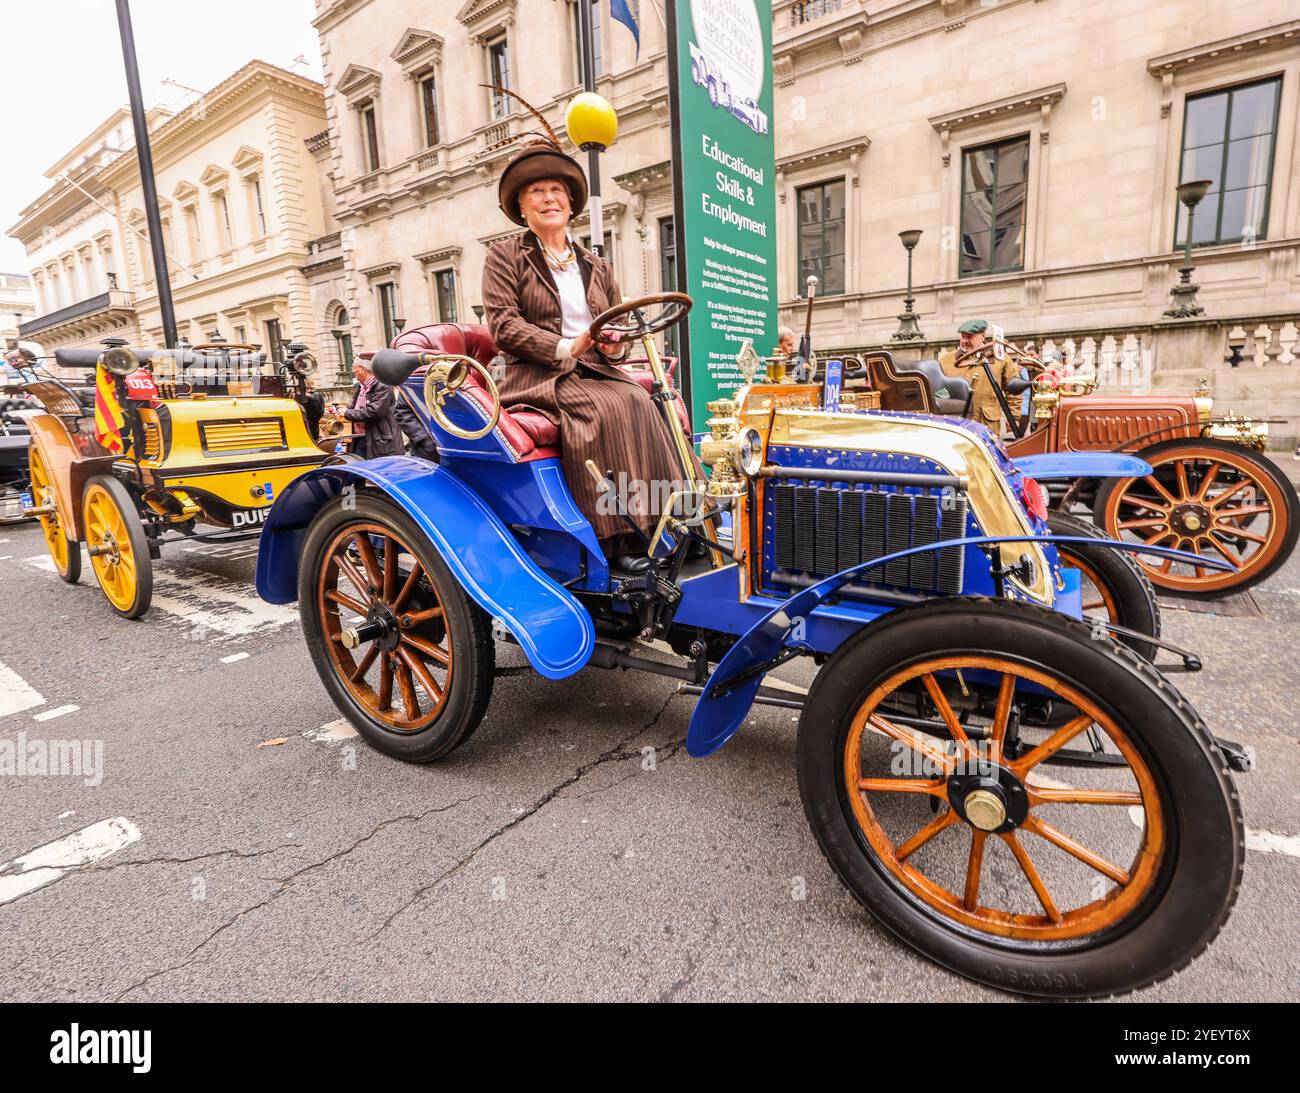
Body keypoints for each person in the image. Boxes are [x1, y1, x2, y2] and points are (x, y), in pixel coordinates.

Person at [481, 139, 697, 574]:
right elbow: (503, 326)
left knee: (653, 400)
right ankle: (618, 539)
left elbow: (617, 333)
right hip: (537, 374)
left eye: (556, 190)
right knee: (604, 408)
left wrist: (615, 344)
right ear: (521, 207)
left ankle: (677, 517)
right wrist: (567, 346)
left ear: (570, 202)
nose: (549, 199)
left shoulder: (597, 266)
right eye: (537, 192)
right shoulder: (505, 256)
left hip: (595, 369)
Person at [939, 319, 1020, 432]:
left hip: (986, 425)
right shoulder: (946, 360)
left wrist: (1014, 417)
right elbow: (938, 391)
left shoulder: (1000, 359)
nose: (965, 341)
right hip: (956, 425)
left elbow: (1013, 390)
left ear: (983, 335)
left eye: (970, 337)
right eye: (963, 336)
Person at [332, 360, 402, 459]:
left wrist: (347, 412)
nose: (352, 371)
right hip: (361, 438)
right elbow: (355, 406)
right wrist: (345, 408)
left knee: (377, 470)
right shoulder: (360, 387)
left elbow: (374, 412)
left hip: (379, 440)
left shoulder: (383, 386)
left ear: (363, 370)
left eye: (354, 367)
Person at [300, 376, 325, 440]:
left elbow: (318, 414)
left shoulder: (313, 397)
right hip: (313, 429)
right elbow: (321, 413)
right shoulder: (317, 395)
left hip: (308, 429)